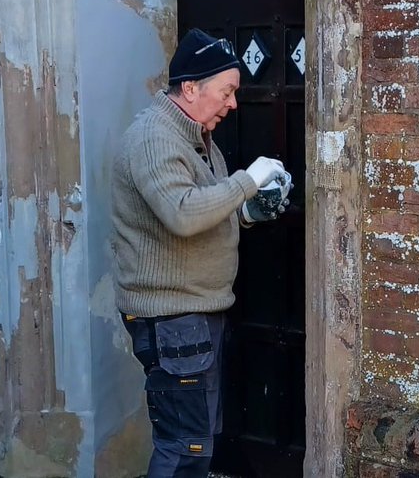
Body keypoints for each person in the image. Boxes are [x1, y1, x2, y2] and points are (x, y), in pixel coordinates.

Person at [111, 27, 289, 478]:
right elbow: (183, 215)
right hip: (173, 319)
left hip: (195, 316)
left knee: (198, 443)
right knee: (183, 450)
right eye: (227, 91)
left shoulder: (197, 139)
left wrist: (250, 212)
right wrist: (248, 180)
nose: (233, 104)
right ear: (190, 88)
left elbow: (204, 211)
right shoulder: (155, 138)